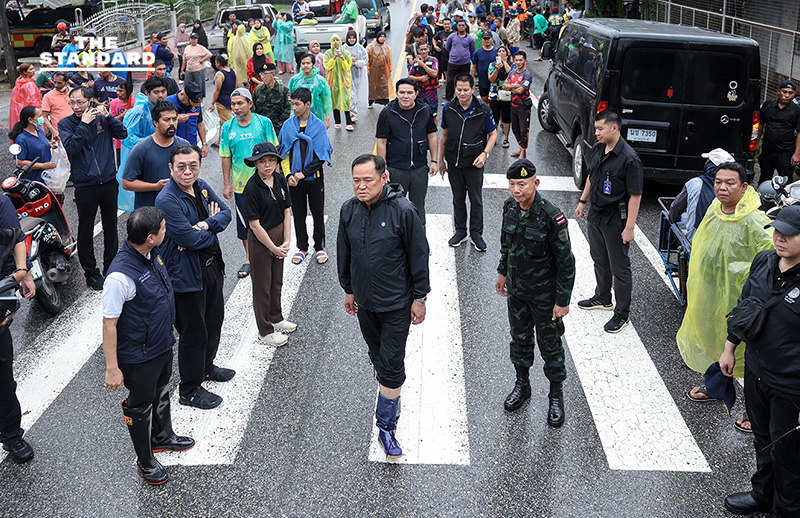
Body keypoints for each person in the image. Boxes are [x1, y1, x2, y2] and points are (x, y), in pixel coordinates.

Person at [337, 153, 430, 459]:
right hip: (365, 304)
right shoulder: (348, 210)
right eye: (356, 180)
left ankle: (386, 428)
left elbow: (419, 255)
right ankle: (384, 373)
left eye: (368, 180)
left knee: (391, 368)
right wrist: (349, 290)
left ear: (384, 178)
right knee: (379, 357)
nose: (361, 186)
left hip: (396, 305)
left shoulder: (404, 211)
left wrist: (420, 297)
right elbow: (345, 254)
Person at [101, 206, 194, 485]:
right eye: (163, 228)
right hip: (138, 356)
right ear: (151, 237)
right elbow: (109, 324)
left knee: (161, 390)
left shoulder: (151, 254)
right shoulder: (119, 277)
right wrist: (112, 368)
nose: (167, 230)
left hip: (161, 344)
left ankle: (163, 436)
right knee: (140, 404)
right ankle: (145, 459)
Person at [677, 162, 772, 430]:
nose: (722, 187)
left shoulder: (754, 220)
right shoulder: (716, 210)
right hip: (715, 294)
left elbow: (771, 260)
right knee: (719, 343)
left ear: (744, 187)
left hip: (744, 301)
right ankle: (715, 387)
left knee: (753, 356)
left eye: (730, 183)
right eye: (718, 182)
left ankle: (758, 413)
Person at [719, 205, 800, 517]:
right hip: (756, 371)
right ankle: (762, 495)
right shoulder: (764, 260)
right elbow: (746, 305)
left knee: (788, 453)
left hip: (790, 386)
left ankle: (786, 509)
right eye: (777, 231)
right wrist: (730, 347)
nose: (779, 238)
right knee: (764, 441)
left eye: (789, 234)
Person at [496, 159, 574, 425]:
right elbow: (506, 243)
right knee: (519, 340)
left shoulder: (552, 216)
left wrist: (562, 301)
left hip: (545, 297)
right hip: (517, 292)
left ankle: (555, 395)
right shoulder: (510, 208)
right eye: (513, 185)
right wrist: (502, 271)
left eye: (522, 184)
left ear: (535, 183)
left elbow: (566, 261)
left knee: (550, 346)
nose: (517, 190)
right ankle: (522, 385)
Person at [156, 145, 235, 410]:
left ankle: (206, 367)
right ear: (171, 168)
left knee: (214, 321)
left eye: (193, 165)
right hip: (185, 275)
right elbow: (186, 238)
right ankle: (189, 389)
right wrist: (206, 229)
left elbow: (226, 215)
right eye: (181, 166)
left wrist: (203, 225)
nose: (188, 171)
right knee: (193, 332)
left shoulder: (200, 186)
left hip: (211, 267)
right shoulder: (167, 199)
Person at [574, 110, 643, 333]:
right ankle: (603, 298)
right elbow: (591, 177)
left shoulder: (629, 158)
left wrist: (629, 228)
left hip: (615, 218)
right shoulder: (598, 149)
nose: (596, 133)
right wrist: (583, 201)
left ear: (614, 128)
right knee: (599, 259)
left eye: (600, 129)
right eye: (595, 129)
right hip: (596, 213)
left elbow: (635, 195)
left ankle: (622, 315)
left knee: (620, 267)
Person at [59, 86, 127, 290]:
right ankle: (91, 273)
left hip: (107, 181)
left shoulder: (101, 118)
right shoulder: (66, 123)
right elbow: (71, 147)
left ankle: (111, 267)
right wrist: (83, 124)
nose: (76, 106)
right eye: (72, 102)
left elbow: (122, 133)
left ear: (90, 101)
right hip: (85, 185)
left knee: (111, 227)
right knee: (86, 229)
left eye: (80, 102)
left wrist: (109, 118)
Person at [220, 88, 280, 279]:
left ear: (250, 104)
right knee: (245, 225)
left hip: (265, 182)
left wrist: (277, 181)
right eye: (233, 104)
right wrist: (226, 184)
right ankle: (249, 258)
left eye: (240, 103)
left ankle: (271, 250)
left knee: (269, 220)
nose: (236, 108)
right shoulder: (227, 127)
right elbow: (226, 156)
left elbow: (274, 152)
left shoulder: (263, 123)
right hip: (241, 186)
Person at [242, 142, 297, 346]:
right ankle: (264, 331)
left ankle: (276, 318)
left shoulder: (280, 179)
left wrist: (287, 240)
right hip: (261, 240)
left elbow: (287, 211)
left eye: (271, 160)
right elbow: (254, 225)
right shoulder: (251, 188)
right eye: (262, 161)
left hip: (278, 234)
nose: (267, 164)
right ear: (255, 163)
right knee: (262, 286)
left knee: (276, 281)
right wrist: (273, 248)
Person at [439, 73, 498, 251]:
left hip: (474, 163)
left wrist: (484, 154)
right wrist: (440, 160)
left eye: (466, 90)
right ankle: (460, 231)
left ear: (473, 89)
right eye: (459, 90)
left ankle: (476, 234)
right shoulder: (448, 108)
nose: (462, 93)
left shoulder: (483, 109)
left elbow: (493, 134)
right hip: (454, 162)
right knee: (458, 199)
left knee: (476, 200)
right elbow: (444, 134)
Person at [278, 87, 333, 266]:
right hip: (294, 181)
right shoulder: (288, 126)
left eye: (297, 104)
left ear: (308, 104)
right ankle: (302, 247)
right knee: (298, 214)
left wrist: (303, 174)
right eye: (292, 104)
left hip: (314, 179)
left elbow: (321, 157)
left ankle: (320, 247)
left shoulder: (317, 127)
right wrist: (288, 176)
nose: (294, 108)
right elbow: (283, 154)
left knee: (317, 213)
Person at [0, 198, 36, 463]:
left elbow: (16, 239)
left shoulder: (1, 204)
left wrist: (24, 273)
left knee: (3, 380)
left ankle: (11, 434)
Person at [375, 78, 439, 226]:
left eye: (409, 92)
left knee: (418, 209)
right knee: (394, 208)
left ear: (416, 93)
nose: (405, 96)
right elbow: (382, 141)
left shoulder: (425, 110)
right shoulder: (387, 112)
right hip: (396, 169)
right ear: (396, 93)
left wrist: (434, 160)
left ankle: (419, 245)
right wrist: (383, 168)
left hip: (419, 168)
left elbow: (432, 135)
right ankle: (396, 245)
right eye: (402, 92)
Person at [122, 101, 190, 210]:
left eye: (174, 119)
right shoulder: (141, 149)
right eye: (166, 120)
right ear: (155, 122)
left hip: (178, 211)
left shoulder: (184, 146)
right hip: (150, 214)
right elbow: (126, 183)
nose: (172, 123)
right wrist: (155, 187)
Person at [121, 76, 169, 211]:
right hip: (144, 160)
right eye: (156, 92)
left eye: (163, 91)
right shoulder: (140, 111)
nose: (160, 95)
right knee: (147, 201)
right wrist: (150, 144)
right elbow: (127, 137)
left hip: (162, 157)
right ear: (147, 93)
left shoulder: (164, 108)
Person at [668, 148, 736, 241]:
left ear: (710, 165)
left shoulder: (695, 183)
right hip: (726, 241)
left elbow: (675, 208)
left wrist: (673, 221)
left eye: (707, 161)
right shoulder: (737, 189)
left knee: (685, 217)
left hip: (696, 241)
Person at [757, 80, 800, 181]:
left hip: (785, 153)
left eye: (790, 93)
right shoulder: (768, 105)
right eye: (784, 92)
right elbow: (761, 123)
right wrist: (756, 143)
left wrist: (797, 153)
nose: (786, 95)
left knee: (786, 181)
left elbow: (799, 132)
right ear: (778, 91)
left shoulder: (796, 110)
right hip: (768, 150)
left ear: (794, 95)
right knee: (764, 178)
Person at [8, 106, 57, 184]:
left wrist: (51, 145)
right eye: (39, 116)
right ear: (30, 120)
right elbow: (19, 162)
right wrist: (42, 165)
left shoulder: (38, 130)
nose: (42, 118)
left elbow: (39, 145)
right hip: (33, 181)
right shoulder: (21, 139)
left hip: (47, 177)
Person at [288, 53, 333, 128]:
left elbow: (326, 99)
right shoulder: (294, 80)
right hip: (298, 116)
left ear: (313, 64)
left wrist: (327, 117)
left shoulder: (320, 80)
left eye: (308, 63)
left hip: (317, 115)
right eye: (303, 63)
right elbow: (289, 97)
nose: (305, 65)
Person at [503, 50, 532, 159]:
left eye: (521, 60)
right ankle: (521, 149)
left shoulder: (527, 75)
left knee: (524, 130)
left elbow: (520, 91)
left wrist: (511, 87)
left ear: (525, 61)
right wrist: (514, 86)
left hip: (523, 106)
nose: (518, 62)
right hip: (513, 105)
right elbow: (505, 86)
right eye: (516, 60)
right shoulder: (512, 72)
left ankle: (523, 153)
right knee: (515, 129)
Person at [324, 35, 354, 130]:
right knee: (335, 100)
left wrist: (342, 58)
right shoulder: (328, 53)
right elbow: (327, 66)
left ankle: (348, 122)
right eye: (334, 40)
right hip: (332, 81)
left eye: (337, 40)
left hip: (344, 82)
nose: (335, 42)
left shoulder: (345, 53)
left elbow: (347, 66)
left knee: (346, 101)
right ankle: (337, 122)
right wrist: (333, 58)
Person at [167, 81, 208, 151]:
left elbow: (200, 123)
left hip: (192, 146)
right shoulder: (168, 102)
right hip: (173, 147)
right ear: (182, 94)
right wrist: (176, 120)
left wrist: (204, 144)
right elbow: (159, 124)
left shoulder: (196, 104)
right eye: (189, 101)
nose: (191, 104)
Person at [253, 62, 292, 134]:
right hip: (262, 128)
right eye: (261, 74)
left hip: (278, 129)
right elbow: (253, 108)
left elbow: (287, 110)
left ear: (273, 75)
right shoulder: (258, 90)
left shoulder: (283, 90)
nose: (262, 77)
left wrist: (278, 126)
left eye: (265, 74)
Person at [208, 55, 237, 145]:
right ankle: (219, 141)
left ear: (218, 63)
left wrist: (212, 103)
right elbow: (235, 87)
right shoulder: (233, 71)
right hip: (231, 100)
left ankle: (229, 143)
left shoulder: (219, 74)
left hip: (222, 102)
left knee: (227, 123)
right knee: (223, 122)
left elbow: (217, 90)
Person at [407, 42, 440, 122]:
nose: (424, 51)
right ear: (418, 51)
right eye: (421, 50)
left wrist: (423, 65)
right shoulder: (415, 62)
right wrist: (420, 79)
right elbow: (410, 76)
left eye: (425, 49)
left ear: (428, 49)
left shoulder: (433, 60)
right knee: (418, 114)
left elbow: (435, 73)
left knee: (433, 115)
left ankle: (433, 132)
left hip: (431, 93)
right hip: (419, 92)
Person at [444, 20, 475, 101]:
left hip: (465, 63)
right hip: (453, 63)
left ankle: (463, 98)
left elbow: (472, 49)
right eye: (459, 25)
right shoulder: (452, 37)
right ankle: (448, 99)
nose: (461, 27)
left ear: (465, 26)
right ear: (457, 26)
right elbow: (447, 47)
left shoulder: (470, 38)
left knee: (464, 81)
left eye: (463, 25)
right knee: (450, 81)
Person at [488, 46, 512, 149]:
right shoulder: (492, 65)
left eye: (503, 51)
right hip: (494, 94)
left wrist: (505, 62)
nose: (501, 53)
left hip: (506, 94)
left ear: (507, 54)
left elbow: (511, 75)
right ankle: (494, 137)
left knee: (506, 117)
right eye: (499, 51)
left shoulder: (511, 65)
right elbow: (491, 79)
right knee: (495, 117)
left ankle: (506, 138)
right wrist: (497, 69)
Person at [9, 64, 43, 132]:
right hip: (31, 111)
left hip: (21, 110)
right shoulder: (29, 84)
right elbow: (33, 100)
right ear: (25, 72)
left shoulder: (19, 83)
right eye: (31, 69)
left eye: (33, 68)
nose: (33, 71)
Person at [343, 29, 367, 122]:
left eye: (353, 38)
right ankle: (352, 113)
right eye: (350, 38)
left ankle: (353, 110)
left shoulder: (360, 48)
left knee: (356, 93)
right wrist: (349, 62)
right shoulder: (343, 48)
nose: (351, 40)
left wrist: (355, 63)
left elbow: (365, 60)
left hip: (358, 75)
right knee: (351, 94)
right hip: (347, 75)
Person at [181, 33, 212, 102]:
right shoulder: (187, 48)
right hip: (189, 69)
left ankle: (201, 101)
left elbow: (209, 54)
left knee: (200, 85)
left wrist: (202, 60)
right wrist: (182, 70)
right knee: (187, 85)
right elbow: (184, 60)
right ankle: (188, 99)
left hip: (199, 69)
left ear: (197, 40)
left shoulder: (200, 47)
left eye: (195, 38)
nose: (193, 40)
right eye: (192, 38)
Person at [366, 32, 394, 108]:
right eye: (381, 36)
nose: (382, 38)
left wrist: (390, 68)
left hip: (384, 71)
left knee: (384, 86)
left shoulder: (387, 48)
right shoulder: (371, 46)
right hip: (373, 70)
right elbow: (366, 57)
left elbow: (389, 59)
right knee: (372, 86)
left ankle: (385, 102)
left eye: (384, 37)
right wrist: (367, 68)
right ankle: (371, 102)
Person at [110, 81, 135, 165]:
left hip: (132, 140)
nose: (118, 93)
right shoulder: (114, 103)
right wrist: (123, 115)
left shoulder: (135, 103)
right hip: (119, 141)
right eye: (117, 90)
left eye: (121, 91)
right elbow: (112, 120)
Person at [41, 71, 72, 139]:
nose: (56, 85)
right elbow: (44, 116)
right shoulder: (48, 96)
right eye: (54, 82)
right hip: (59, 135)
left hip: (76, 133)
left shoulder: (74, 93)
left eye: (59, 83)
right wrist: (53, 131)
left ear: (67, 82)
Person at [472, 32, 497, 102]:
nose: (486, 40)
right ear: (482, 39)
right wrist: (471, 80)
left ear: (492, 39)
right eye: (484, 39)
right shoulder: (477, 52)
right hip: (482, 81)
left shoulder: (496, 52)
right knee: (484, 100)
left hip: (494, 82)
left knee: (494, 101)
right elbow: (474, 67)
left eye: (488, 38)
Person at [433, 18, 453, 83]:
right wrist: (435, 46)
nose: (446, 25)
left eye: (448, 24)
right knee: (445, 71)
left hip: (453, 56)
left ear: (451, 24)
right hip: (444, 56)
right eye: (445, 24)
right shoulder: (440, 33)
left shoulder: (455, 33)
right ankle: (448, 83)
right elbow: (434, 39)